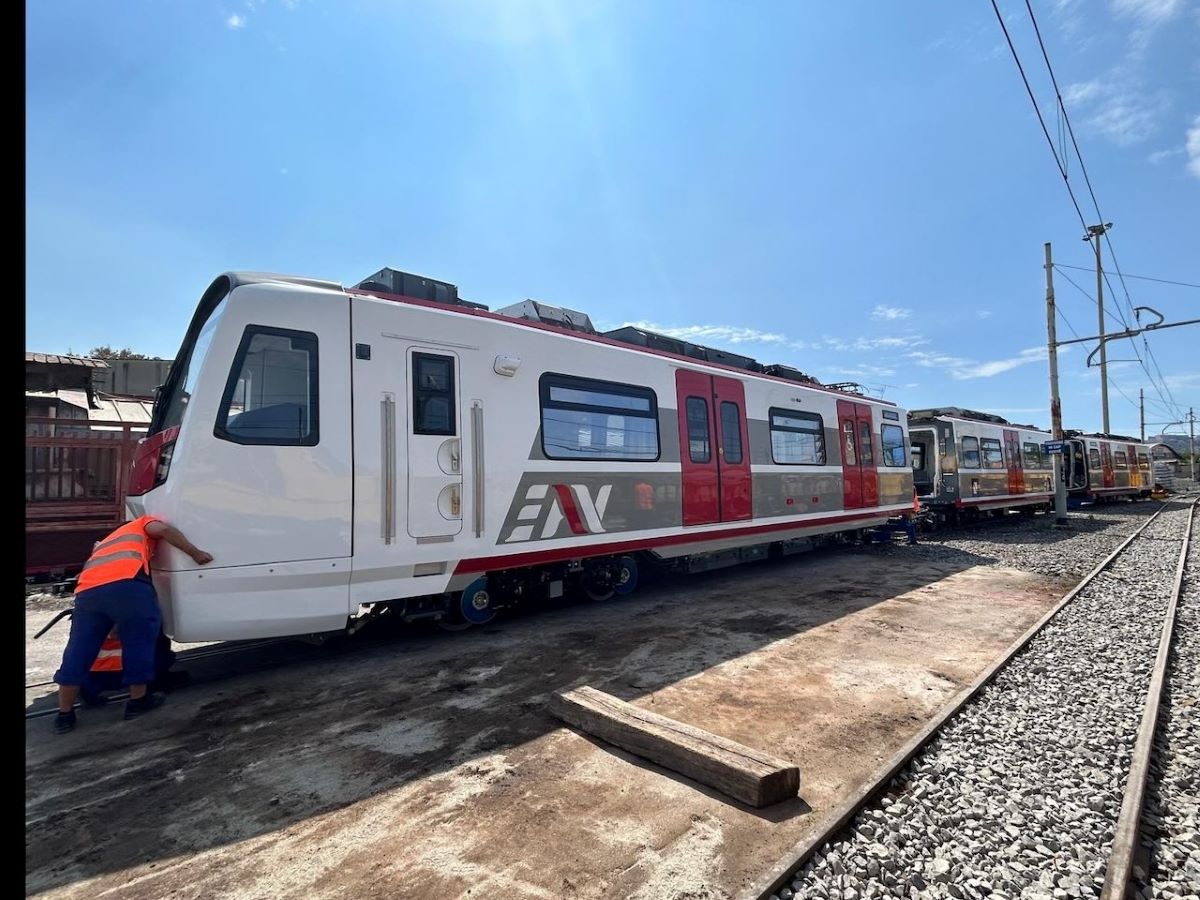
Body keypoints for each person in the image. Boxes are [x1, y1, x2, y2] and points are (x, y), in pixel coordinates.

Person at [52, 515, 212, 734]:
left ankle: (64, 715)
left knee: (78, 650)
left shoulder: (107, 541)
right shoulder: (141, 523)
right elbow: (164, 530)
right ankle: (138, 701)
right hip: (128, 585)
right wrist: (196, 554)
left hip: (87, 592)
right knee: (139, 641)